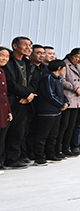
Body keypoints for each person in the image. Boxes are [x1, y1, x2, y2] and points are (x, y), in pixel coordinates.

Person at [4, 36, 36, 169]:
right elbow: (10, 83)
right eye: (26, 45)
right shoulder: (8, 62)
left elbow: (34, 82)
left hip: (24, 103)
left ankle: (12, 159)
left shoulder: (28, 64)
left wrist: (29, 95)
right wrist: (25, 94)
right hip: (10, 101)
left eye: (30, 46)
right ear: (15, 46)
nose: (29, 48)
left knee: (18, 132)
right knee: (5, 131)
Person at [32, 60, 68, 166]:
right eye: (64, 67)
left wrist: (66, 102)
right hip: (47, 111)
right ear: (59, 68)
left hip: (56, 111)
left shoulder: (58, 78)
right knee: (42, 136)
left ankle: (50, 154)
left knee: (53, 135)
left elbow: (61, 94)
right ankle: (39, 157)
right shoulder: (47, 78)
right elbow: (50, 95)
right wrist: (61, 104)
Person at [57, 48, 80, 157]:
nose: (78, 59)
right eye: (76, 57)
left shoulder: (79, 66)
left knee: (71, 126)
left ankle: (66, 148)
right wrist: (74, 88)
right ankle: (58, 148)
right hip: (68, 97)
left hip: (77, 99)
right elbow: (62, 80)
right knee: (64, 125)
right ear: (71, 55)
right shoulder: (65, 64)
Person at [0, 47, 14, 171]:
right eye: (2, 55)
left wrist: (8, 111)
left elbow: (4, 94)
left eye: (7, 56)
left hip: (3, 110)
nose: (5, 58)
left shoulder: (2, 72)